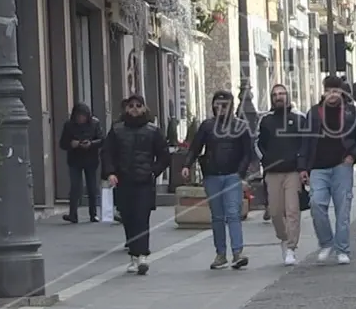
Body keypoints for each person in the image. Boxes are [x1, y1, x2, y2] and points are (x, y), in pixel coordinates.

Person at [300, 76, 356, 265]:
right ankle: (326, 242)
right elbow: (305, 141)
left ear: (342, 92)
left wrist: (352, 156)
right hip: (318, 168)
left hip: (342, 166)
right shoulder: (314, 113)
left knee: (343, 210)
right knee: (316, 205)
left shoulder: (351, 112)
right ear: (323, 92)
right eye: (328, 91)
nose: (332, 95)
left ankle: (342, 249)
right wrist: (303, 168)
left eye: (335, 91)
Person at [183, 90, 254, 270]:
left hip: (232, 176)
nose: (221, 108)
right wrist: (187, 164)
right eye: (217, 104)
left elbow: (248, 153)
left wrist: (240, 173)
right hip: (212, 175)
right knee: (217, 216)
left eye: (225, 104)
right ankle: (221, 253)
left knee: (233, 213)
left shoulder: (241, 126)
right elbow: (195, 148)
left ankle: (237, 252)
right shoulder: (207, 126)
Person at [101, 94, 169, 275]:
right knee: (128, 219)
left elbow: (164, 155)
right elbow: (107, 153)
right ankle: (133, 255)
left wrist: (154, 171)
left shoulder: (153, 131)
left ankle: (143, 256)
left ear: (144, 108)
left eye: (139, 105)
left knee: (141, 217)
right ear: (126, 109)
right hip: (123, 181)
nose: (135, 109)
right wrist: (110, 173)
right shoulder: (117, 130)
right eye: (131, 106)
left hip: (144, 181)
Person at [256, 84, 308, 266]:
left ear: (288, 96)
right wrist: (265, 159)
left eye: (282, 94)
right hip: (272, 172)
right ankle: (284, 238)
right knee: (276, 211)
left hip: (292, 171)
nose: (279, 97)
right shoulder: (265, 121)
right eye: (275, 94)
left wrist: (303, 166)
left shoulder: (299, 118)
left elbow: (305, 143)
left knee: (293, 211)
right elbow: (258, 143)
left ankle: (291, 248)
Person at [60, 103, 104, 223]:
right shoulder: (69, 126)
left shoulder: (95, 123)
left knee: (92, 187)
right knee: (75, 187)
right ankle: (73, 214)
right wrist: (71, 144)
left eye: (83, 116)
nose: (81, 119)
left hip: (91, 159)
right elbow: (62, 143)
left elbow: (102, 140)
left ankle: (93, 214)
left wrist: (91, 144)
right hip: (75, 159)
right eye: (78, 116)